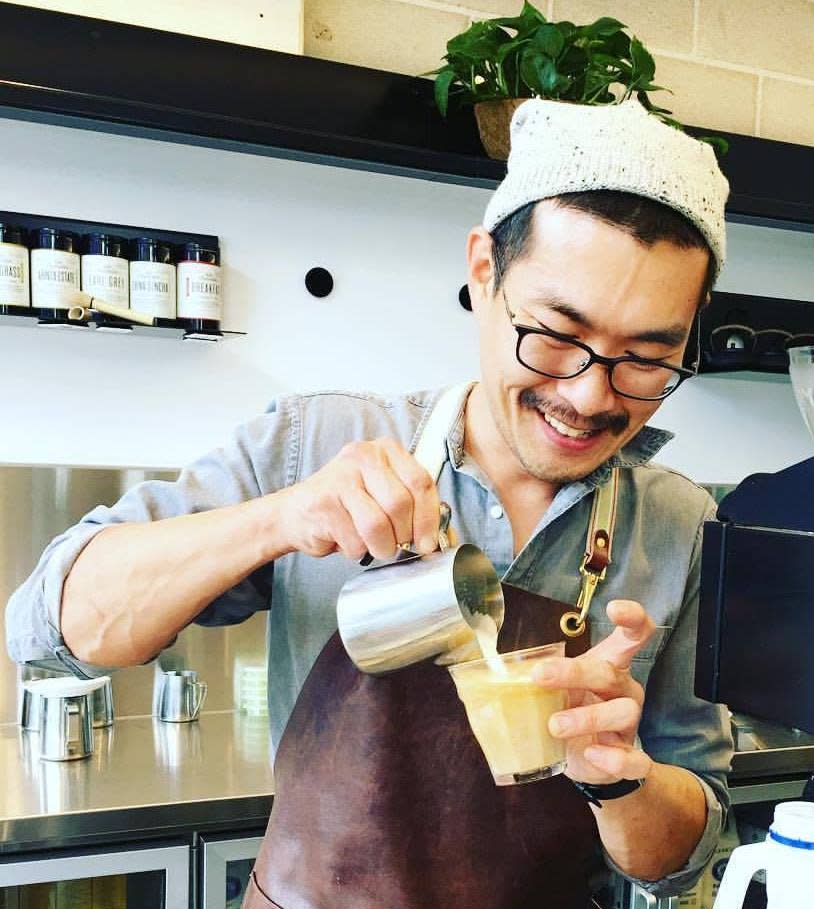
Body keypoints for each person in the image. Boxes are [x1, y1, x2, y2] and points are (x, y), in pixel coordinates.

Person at [7, 98, 733, 907]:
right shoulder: (313, 442)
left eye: (645, 358)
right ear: (484, 271)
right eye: (556, 334)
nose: (589, 394)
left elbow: (681, 857)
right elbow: (51, 627)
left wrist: (623, 781)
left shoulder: (680, 525)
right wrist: (276, 518)